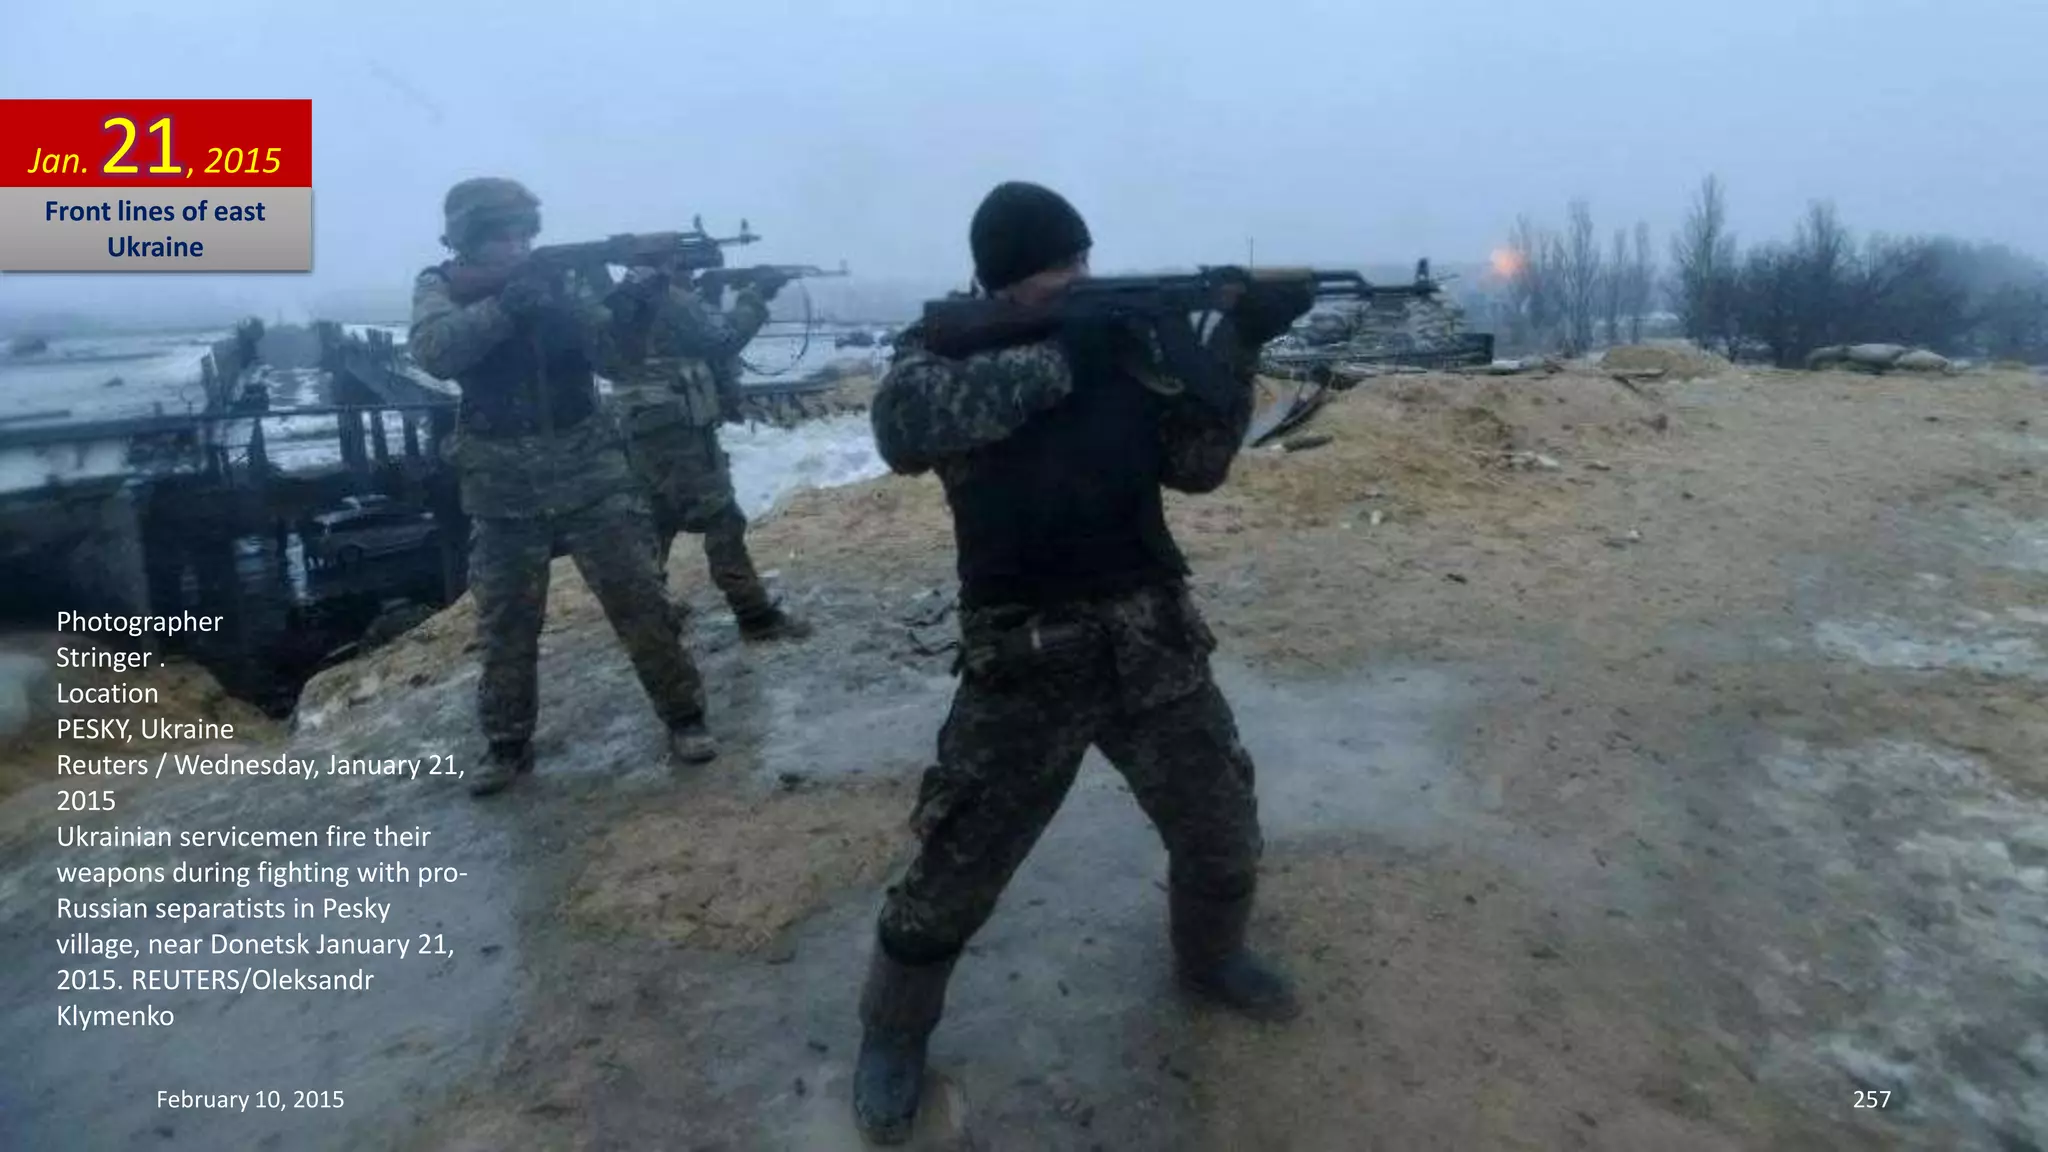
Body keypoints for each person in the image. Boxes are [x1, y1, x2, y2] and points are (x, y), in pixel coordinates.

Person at [850, 181, 1312, 1143]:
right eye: (1061, 268)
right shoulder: (940, 357)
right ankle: (892, 1035)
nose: (1082, 279)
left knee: (1222, 828)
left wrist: (1239, 343)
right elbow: (903, 430)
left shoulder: (1122, 347)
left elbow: (1197, 465)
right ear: (1006, 279)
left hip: (1152, 642)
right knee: (953, 872)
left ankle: (1210, 962)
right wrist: (1066, 356)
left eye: (1085, 262)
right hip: (1024, 661)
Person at [408, 177, 719, 797]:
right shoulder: (439, 284)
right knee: (506, 623)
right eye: (503, 234)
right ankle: (506, 744)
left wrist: (636, 302)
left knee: (641, 599)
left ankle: (685, 716)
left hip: (588, 468)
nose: (517, 245)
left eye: (525, 233)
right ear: (471, 237)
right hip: (500, 485)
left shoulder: (565, 282)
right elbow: (434, 351)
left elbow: (614, 359)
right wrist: (508, 306)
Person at [606, 261, 811, 640]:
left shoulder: (629, 298)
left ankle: (653, 608)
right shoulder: (670, 299)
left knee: (657, 517)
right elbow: (721, 338)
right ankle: (753, 613)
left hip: (643, 427)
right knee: (722, 518)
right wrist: (755, 296)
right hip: (679, 431)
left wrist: (712, 294)